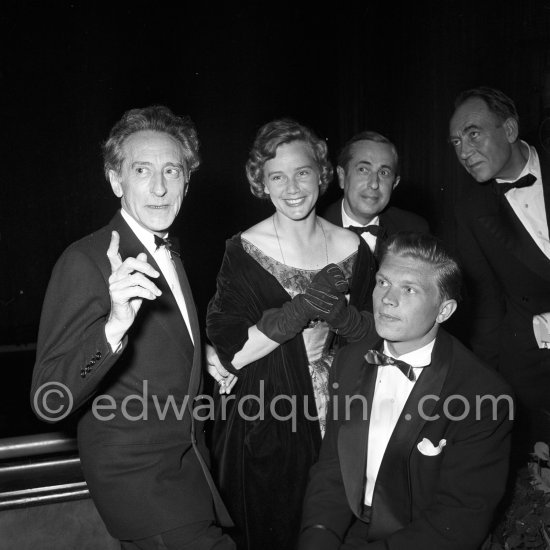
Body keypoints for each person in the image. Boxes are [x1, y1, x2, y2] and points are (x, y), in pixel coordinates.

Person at [30, 106, 234, 549]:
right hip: (143, 488)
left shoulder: (167, 249)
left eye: (172, 171)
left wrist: (201, 351)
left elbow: (165, 342)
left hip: (188, 472)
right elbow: (50, 398)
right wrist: (115, 325)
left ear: (187, 180)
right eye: (142, 170)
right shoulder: (85, 260)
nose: (160, 187)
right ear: (115, 180)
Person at [205, 118, 376, 550]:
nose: (291, 186)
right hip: (267, 415)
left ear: (320, 172)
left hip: (343, 407)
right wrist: (300, 310)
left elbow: (379, 335)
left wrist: (344, 320)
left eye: (301, 172)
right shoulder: (242, 250)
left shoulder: (356, 249)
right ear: (261, 183)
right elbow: (230, 353)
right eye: (276, 176)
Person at [299, 231, 514, 550]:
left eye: (409, 289)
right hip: (353, 529)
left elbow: (459, 519)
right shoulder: (349, 359)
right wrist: (318, 536)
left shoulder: (485, 396)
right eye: (383, 282)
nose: (387, 299)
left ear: (444, 310)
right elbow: (333, 469)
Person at [450, 86, 550, 453]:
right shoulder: (470, 211)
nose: (463, 150)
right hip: (534, 370)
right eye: (456, 141)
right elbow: (488, 307)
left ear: (509, 130)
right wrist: (484, 383)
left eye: (473, 133)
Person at [322, 131, 429, 256]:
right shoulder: (312, 231)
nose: (374, 184)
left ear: (394, 184)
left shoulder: (415, 231)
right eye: (363, 170)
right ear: (342, 177)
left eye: (384, 173)